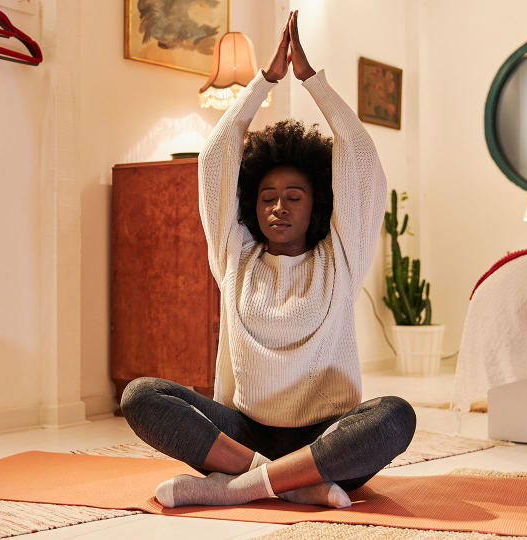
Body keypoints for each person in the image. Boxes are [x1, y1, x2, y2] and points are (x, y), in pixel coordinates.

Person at [121, 10, 415, 509]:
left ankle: (241, 488)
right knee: (140, 396)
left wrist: (311, 82)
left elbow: (361, 159)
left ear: (316, 203)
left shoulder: (340, 258)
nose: (279, 206)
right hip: (243, 435)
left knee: (396, 415)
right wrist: (264, 81)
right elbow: (215, 158)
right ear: (251, 207)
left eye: (293, 196)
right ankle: (285, 482)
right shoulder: (234, 255)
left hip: (325, 439)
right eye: (267, 197)